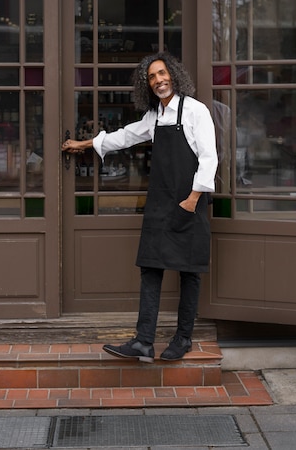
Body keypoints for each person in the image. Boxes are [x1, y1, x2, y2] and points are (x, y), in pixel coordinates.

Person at [62, 52, 218, 363]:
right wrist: (85, 144)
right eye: (151, 77)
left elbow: (209, 158)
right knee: (150, 268)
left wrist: (191, 200)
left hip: (191, 202)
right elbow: (125, 137)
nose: (159, 80)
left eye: (162, 73)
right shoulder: (155, 116)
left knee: (189, 272)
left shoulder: (195, 111)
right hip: (161, 204)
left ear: (173, 74)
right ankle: (143, 342)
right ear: (146, 85)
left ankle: (183, 338)